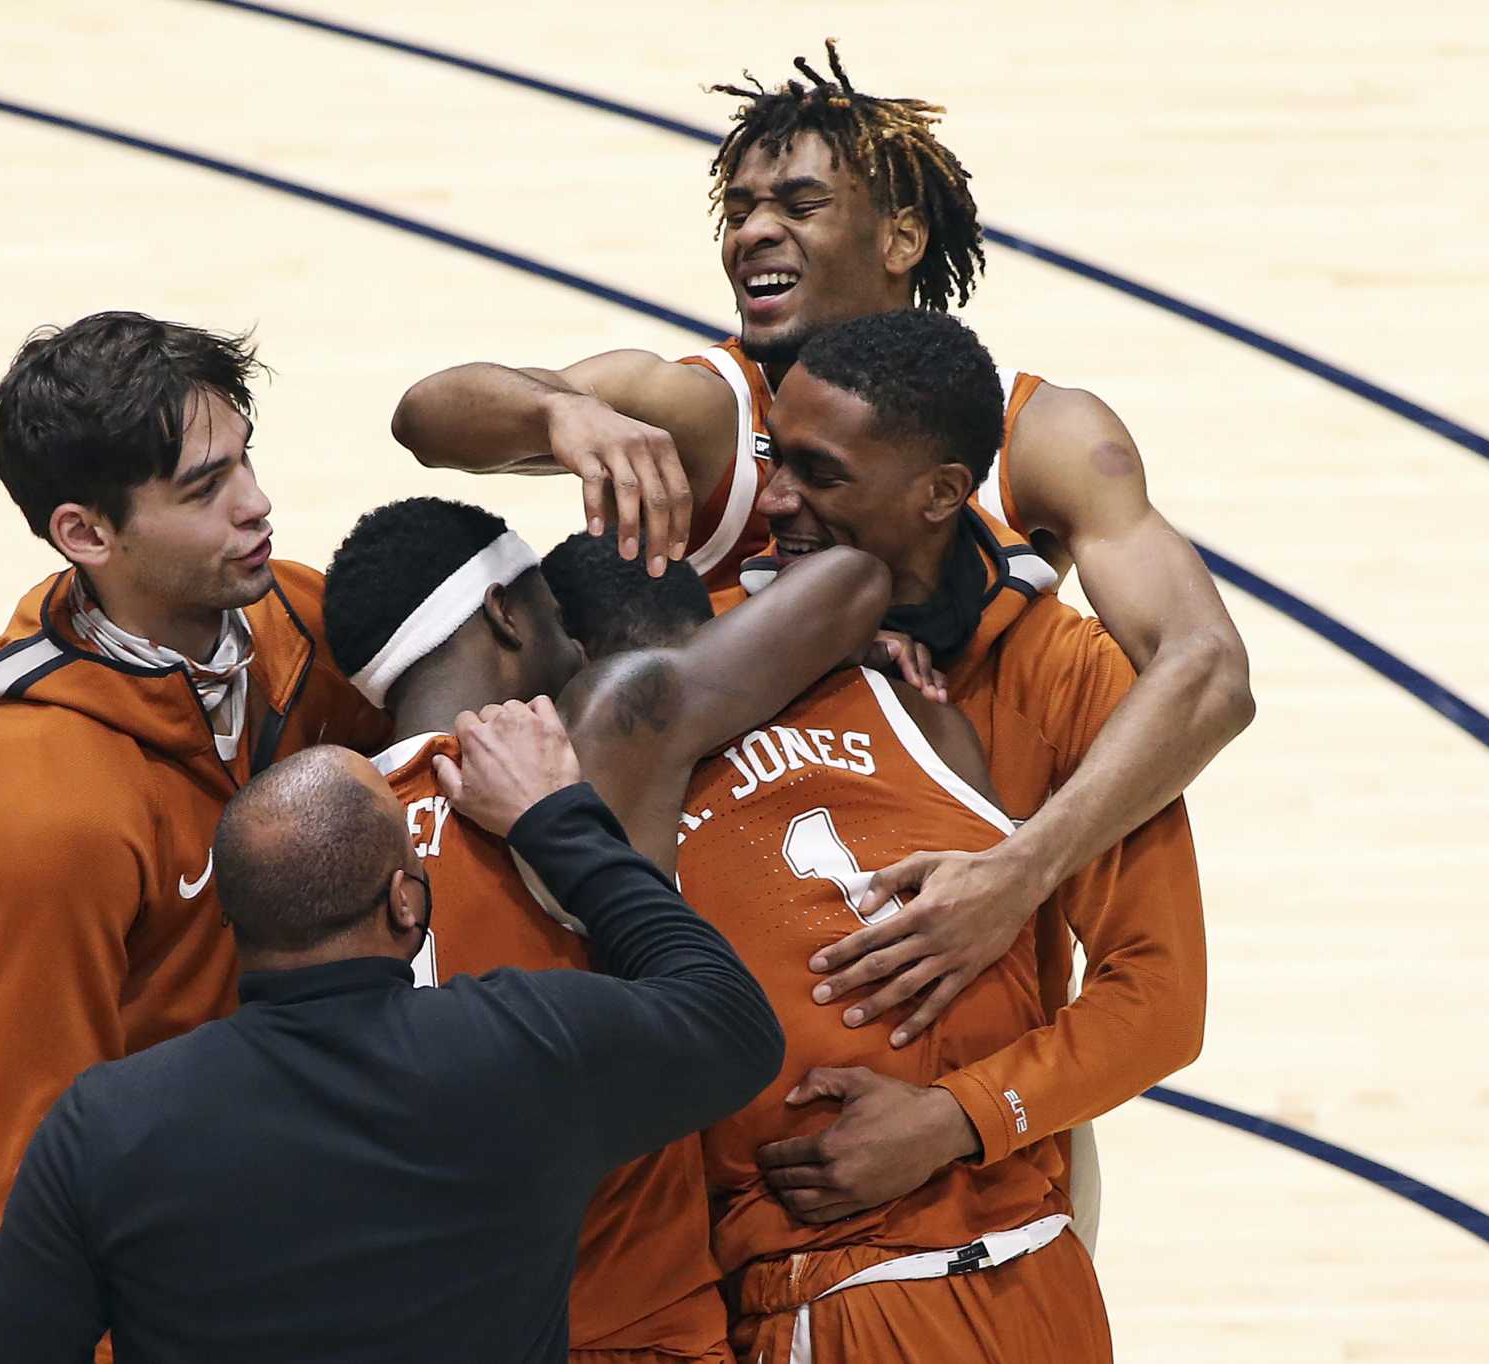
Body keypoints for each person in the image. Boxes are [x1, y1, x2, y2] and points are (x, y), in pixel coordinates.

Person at [390, 41, 1249, 1047]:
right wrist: (557, 416)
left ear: (898, 237)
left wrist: (1020, 870)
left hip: (957, 959)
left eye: (796, 206)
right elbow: (426, 417)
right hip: (719, 968)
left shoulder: (1039, 437)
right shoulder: (705, 410)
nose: (753, 231)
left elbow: (1205, 669)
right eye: (739, 210)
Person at [632, 308, 1200, 1361]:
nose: (778, 503)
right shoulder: (700, 653)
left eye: (819, 473)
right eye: (772, 461)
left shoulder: (1056, 674)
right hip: (775, 1280)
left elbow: (1158, 1002)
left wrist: (951, 1115)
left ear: (939, 492)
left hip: (1004, 1229)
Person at [0, 728, 785, 1364]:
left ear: (232, 921)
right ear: (406, 904)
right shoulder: (527, 1047)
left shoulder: (104, 1124)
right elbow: (734, 1022)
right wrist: (557, 825)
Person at [0, 311, 386, 1364]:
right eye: (202, 487)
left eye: (244, 458)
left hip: (263, 1245)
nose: (255, 502)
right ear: (86, 533)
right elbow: (41, 1168)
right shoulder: (49, 810)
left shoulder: (288, 626)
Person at [321, 496, 893, 1363]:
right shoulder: (573, 755)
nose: (580, 641)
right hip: (625, 1327)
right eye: (556, 611)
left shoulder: (311, 835)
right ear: (504, 613)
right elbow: (853, 580)